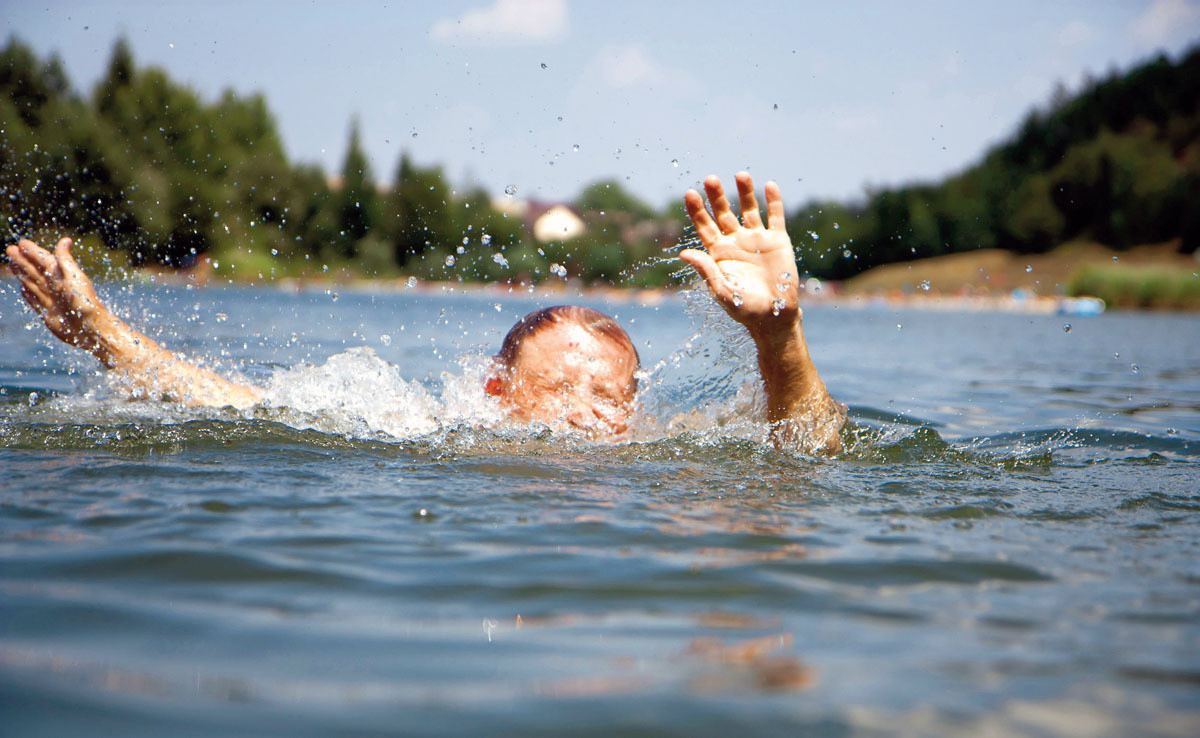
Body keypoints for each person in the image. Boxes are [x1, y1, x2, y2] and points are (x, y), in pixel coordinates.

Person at [5, 173, 845, 452]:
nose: (585, 418)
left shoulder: (659, 457)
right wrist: (100, 333)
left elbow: (811, 446)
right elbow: (233, 406)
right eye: (557, 392)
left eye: (608, 401)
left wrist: (781, 338)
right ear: (491, 392)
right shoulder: (423, 426)